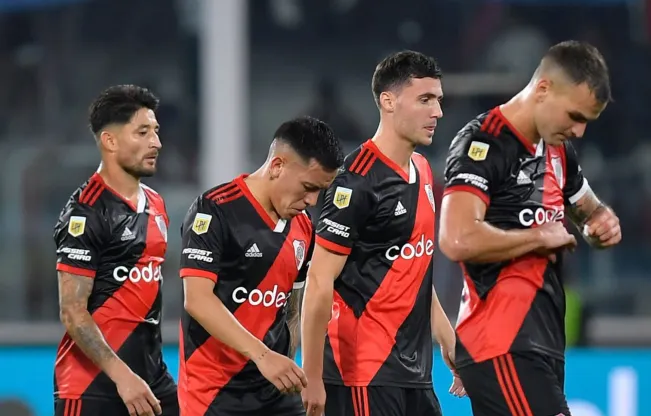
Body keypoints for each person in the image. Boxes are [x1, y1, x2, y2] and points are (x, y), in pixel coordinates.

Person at [438, 40, 622, 416]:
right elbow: (456, 238)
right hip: (502, 340)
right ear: (543, 89)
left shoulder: (558, 149)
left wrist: (601, 222)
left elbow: (587, 210)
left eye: (587, 120)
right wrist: (538, 237)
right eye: (574, 115)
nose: (579, 130)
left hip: (542, 342)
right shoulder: (484, 143)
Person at [300, 50, 463, 416]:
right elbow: (319, 282)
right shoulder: (356, 181)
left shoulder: (422, 169)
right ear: (388, 102)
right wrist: (311, 376)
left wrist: (446, 336)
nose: (437, 112)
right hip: (363, 373)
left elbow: (415, 268)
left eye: (438, 100)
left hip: (416, 374)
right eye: (425, 99)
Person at [177, 116, 344, 416]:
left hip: (275, 392)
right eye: (308, 187)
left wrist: (289, 367)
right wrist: (263, 355)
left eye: (320, 191)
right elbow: (197, 299)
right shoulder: (214, 210)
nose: (312, 200)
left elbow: (291, 309)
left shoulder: (303, 227)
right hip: (215, 394)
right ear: (278, 166)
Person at [53, 85, 177, 416]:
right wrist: (124, 377)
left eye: (156, 131)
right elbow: (73, 311)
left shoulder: (157, 204)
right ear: (110, 141)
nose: (156, 143)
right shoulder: (86, 211)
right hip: (93, 389)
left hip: (151, 381)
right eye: (143, 132)